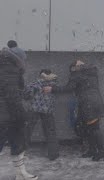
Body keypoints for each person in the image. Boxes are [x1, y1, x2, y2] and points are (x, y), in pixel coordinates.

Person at [43, 60, 104, 161]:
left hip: (88, 103)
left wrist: (52, 89)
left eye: (72, 68)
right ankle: (93, 150)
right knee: (89, 128)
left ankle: (101, 152)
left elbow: (68, 88)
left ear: (75, 68)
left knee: (94, 129)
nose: (71, 71)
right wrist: (82, 66)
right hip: (95, 101)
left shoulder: (77, 75)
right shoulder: (91, 72)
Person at [0, 47, 38, 179]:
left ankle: (20, 173)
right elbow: (12, 97)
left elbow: (16, 92)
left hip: (9, 115)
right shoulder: (9, 70)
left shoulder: (7, 68)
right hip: (6, 116)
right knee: (16, 141)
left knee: (18, 143)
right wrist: (23, 115)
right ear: (18, 59)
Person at [24, 69, 59, 161]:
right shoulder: (53, 84)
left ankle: (21, 151)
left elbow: (27, 95)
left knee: (27, 130)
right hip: (47, 110)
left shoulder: (36, 83)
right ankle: (53, 154)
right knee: (50, 131)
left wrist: (39, 83)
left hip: (34, 109)